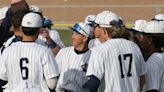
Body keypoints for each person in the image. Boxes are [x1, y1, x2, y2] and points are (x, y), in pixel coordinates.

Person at [84, 11, 146, 92]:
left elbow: (93, 84)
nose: (93, 29)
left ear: (104, 30)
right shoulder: (134, 46)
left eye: (95, 26)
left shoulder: (100, 50)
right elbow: (142, 78)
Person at [0, 12, 59, 92]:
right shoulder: (45, 51)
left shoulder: (8, 50)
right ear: (38, 31)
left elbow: (2, 78)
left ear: (21, 29)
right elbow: (52, 83)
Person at [55, 22, 94, 92]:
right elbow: (55, 74)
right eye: (73, 33)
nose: (72, 37)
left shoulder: (93, 57)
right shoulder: (63, 52)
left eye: (76, 34)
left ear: (85, 38)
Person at [140, 21, 164, 92]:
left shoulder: (153, 62)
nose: (141, 40)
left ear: (149, 40)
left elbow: (152, 90)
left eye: (143, 36)